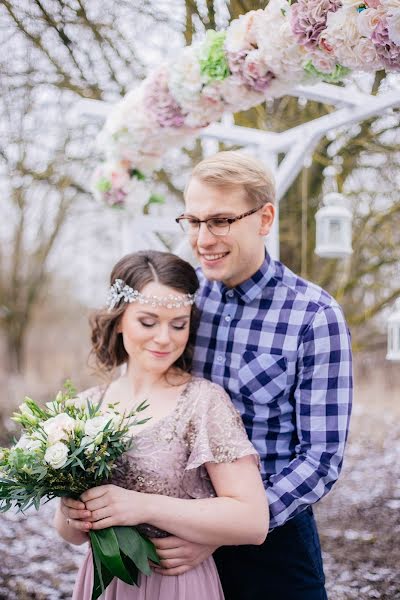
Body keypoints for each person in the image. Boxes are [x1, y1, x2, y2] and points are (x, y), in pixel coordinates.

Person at [150, 150, 352, 600]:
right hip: (174, 540)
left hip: (273, 547)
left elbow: (320, 459)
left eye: (221, 221)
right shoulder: (181, 302)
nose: (203, 239)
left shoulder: (314, 316)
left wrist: (227, 528)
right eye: (194, 221)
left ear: (264, 219)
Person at [55, 250, 268, 600]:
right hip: (105, 583)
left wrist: (144, 506)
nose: (165, 338)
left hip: (176, 585)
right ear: (120, 319)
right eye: (148, 322)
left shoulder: (203, 402)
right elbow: (70, 534)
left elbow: (252, 520)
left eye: (178, 324)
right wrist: (72, 515)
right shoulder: (84, 407)